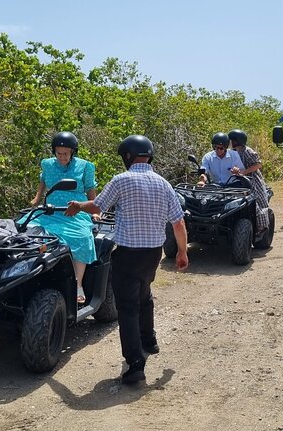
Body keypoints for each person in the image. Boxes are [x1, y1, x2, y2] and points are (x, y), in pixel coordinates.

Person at [65, 135, 188, 385]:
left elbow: (98, 207)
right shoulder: (163, 183)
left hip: (129, 253)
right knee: (144, 293)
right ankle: (149, 340)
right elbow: (178, 222)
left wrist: (79, 205)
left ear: (128, 156)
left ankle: (135, 365)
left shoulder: (122, 180)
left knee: (128, 307)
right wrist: (183, 252)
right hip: (154, 253)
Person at [27, 131, 97, 304]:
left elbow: (90, 189)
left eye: (65, 153)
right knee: (24, 229)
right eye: (58, 153)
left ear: (73, 152)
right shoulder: (47, 164)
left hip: (75, 211)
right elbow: (43, 181)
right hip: (50, 211)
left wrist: (94, 208)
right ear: (54, 152)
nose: (62, 156)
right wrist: (37, 199)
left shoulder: (85, 166)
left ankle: (78, 285)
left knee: (82, 237)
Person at [228, 129, 270, 234]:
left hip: (253, 179)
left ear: (236, 141)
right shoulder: (233, 152)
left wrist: (245, 172)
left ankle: (261, 226)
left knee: (257, 201)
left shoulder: (247, 151)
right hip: (240, 180)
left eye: (231, 140)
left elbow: (258, 165)